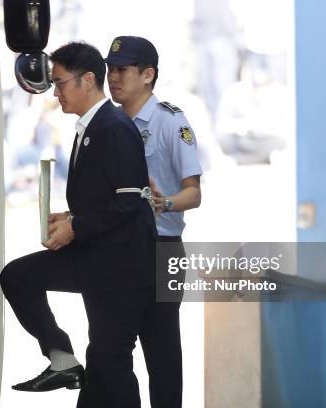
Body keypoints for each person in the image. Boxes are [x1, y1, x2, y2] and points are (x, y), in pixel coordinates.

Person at [0, 41, 157, 408]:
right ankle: (62, 359)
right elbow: (107, 200)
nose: (55, 92)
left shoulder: (114, 127)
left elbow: (130, 201)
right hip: (96, 258)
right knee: (18, 277)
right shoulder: (89, 127)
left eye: (60, 83)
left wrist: (77, 226)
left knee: (110, 362)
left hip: (122, 267)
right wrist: (71, 219)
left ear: (88, 80)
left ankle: (67, 363)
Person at [105, 36, 203, 408]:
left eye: (122, 70)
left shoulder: (170, 122)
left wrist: (165, 202)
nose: (113, 77)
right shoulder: (108, 123)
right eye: (110, 69)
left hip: (163, 248)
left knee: (162, 353)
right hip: (120, 249)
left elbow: (193, 193)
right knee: (111, 349)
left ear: (148, 75)